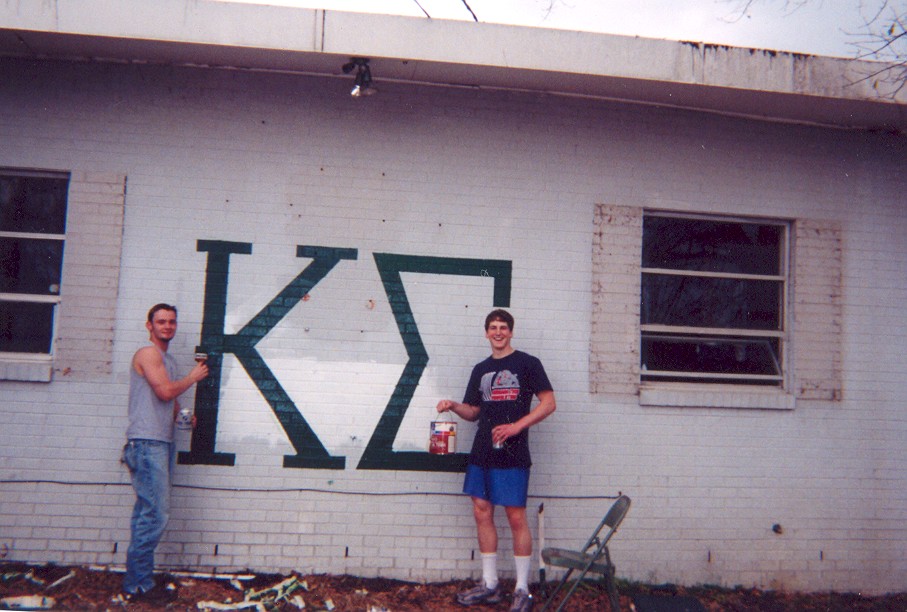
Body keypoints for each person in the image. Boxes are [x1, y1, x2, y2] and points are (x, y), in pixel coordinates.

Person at [437, 309, 556, 612]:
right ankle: (489, 584)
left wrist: (517, 426)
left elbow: (549, 403)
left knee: (516, 517)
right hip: (482, 450)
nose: (499, 332)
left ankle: (521, 589)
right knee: (481, 511)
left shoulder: (528, 364)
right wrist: (453, 406)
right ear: (486, 332)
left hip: (513, 452)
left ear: (511, 332)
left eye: (504, 327)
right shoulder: (480, 369)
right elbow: (473, 412)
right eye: (493, 327)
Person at [122, 303, 208, 600]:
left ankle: (136, 581)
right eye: (161, 322)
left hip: (159, 442)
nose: (167, 326)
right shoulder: (148, 354)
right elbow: (164, 391)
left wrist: (181, 416)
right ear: (150, 326)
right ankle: (139, 586)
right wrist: (193, 378)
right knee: (156, 514)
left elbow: (166, 398)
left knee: (146, 513)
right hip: (147, 443)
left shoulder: (166, 359)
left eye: (172, 321)